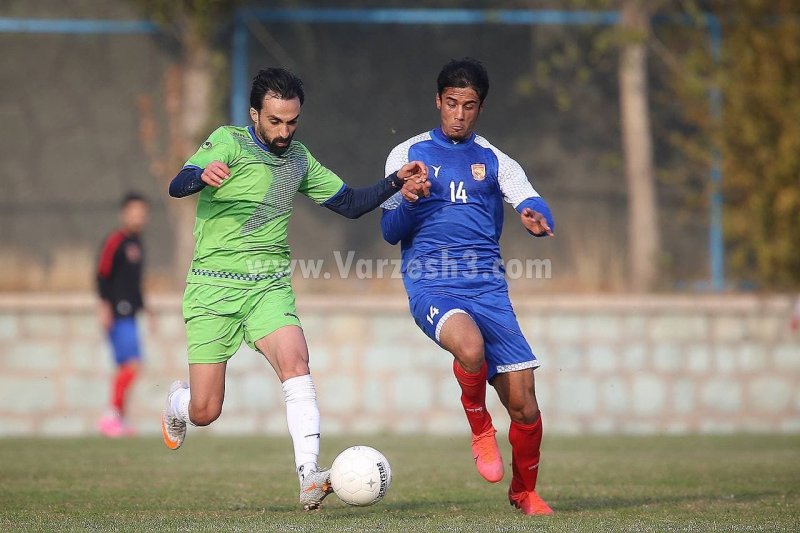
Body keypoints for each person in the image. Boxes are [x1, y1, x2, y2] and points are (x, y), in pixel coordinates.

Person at [161, 67, 429, 511]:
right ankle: (177, 401)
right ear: (255, 115)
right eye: (275, 122)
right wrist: (200, 175)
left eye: (292, 122)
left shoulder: (298, 160)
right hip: (212, 289)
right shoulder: (228, 141)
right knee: (206, 411)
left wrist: (395, 181)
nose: (284, 131)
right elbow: (177, 184)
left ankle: (309, 476)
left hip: (268, 285)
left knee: (296, 361)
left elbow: (350, 204)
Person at [380, 58, 555, 516]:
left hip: (488, 289)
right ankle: (480, 427)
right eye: (451, 103)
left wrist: (537, 216)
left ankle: (524, 492)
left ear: (480, 109)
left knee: (526, 406)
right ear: (438, 101)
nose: (459, 114)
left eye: (469, 106)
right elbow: (390, 230)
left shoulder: (493, 159)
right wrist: (409, 198)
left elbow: (528, 196)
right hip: (432, 285)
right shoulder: (407, 155)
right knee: (470, 348)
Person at [96, 193, 151, 437]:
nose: (137, 217)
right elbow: (102, 274)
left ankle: (118, 418)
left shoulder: (137, 243)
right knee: (132, 366)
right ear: (124, 213)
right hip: (118, 313)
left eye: (141, 213)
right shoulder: (115, 241)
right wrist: (104, 306)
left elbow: (134, 282)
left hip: (131, 312)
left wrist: (147, 309)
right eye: (133, 212)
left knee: (127, 368)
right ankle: (111, 415)